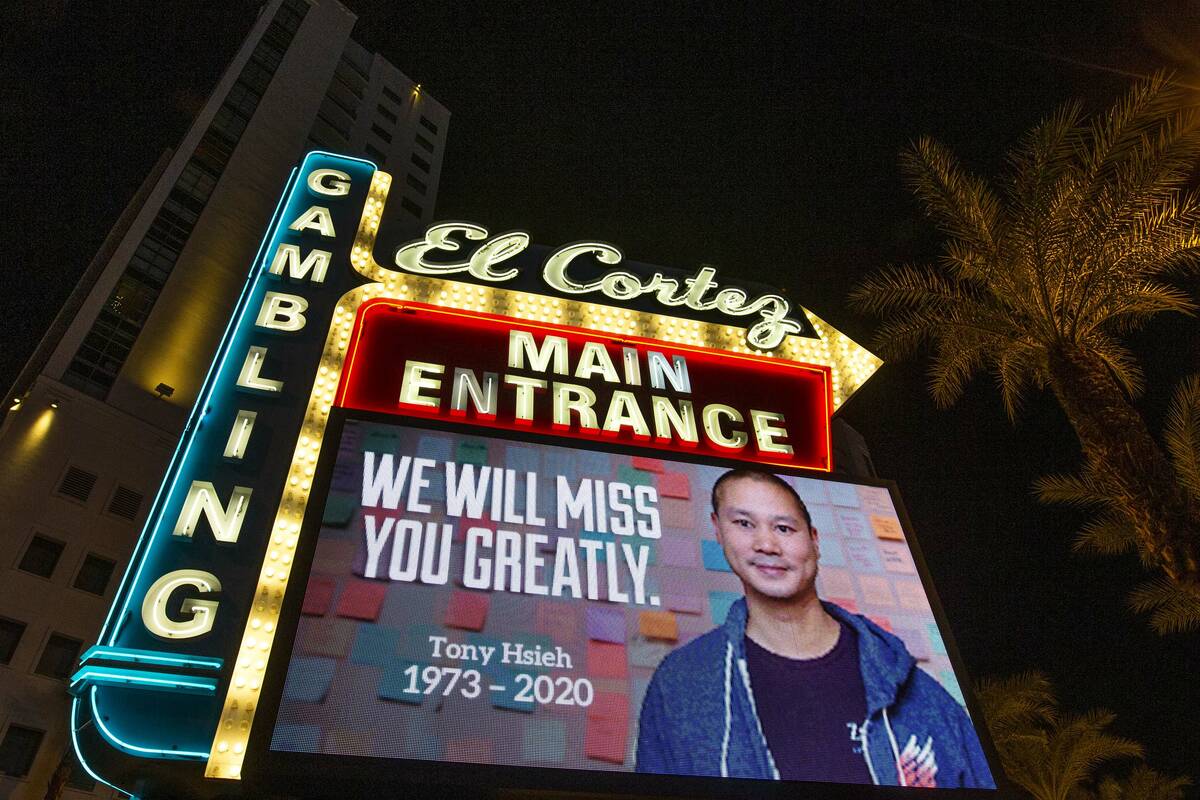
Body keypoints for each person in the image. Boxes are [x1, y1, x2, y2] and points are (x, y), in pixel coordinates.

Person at [635, 468, 995, 788]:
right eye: (744, 523)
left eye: (784, 528)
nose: (766, 544)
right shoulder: (682, 685)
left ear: (814, 540)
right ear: (718, 530)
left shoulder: (919, 694)